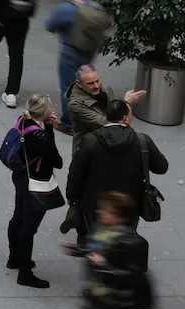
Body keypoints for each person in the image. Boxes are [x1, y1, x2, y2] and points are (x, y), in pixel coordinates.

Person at [68, 98, 169, 236]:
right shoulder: (142, 141)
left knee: (94, 236)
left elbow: (76, 173)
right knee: (125, 237)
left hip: (95, 202)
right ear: (126, 119)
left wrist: (72, 196)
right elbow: (162, 167)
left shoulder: (90, 140)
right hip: (130, 203)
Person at [5, 95, 63, 290]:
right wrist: (49, 129)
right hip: (35, 183)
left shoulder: (22, 120)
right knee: (28, 228)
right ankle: (25, 273)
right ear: (44, 113)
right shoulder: (40, 135)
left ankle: (14, 258)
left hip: (20, 177)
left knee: (17, 217)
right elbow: (57, 161)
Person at [43, 0, 112, 130]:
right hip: (90, 52)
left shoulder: (66, 9)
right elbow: (107, 24)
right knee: (88, 84)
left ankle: (69, 123)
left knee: (68, 87)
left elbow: (50, 26)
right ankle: (88, 116)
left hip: (70, 53)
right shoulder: (97, 7)